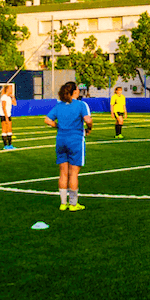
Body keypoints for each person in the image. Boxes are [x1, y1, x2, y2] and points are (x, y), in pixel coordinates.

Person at [45, 81, 93, 211]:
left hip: (61, 139)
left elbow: (47, 120)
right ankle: (73, 204)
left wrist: (58, 126)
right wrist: (89, 128)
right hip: (75, 140)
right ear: (74, 92)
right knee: (73, 174)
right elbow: (88, 120)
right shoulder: (82, 105)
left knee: (63, 173)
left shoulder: (59, 106)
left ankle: (62, 203)